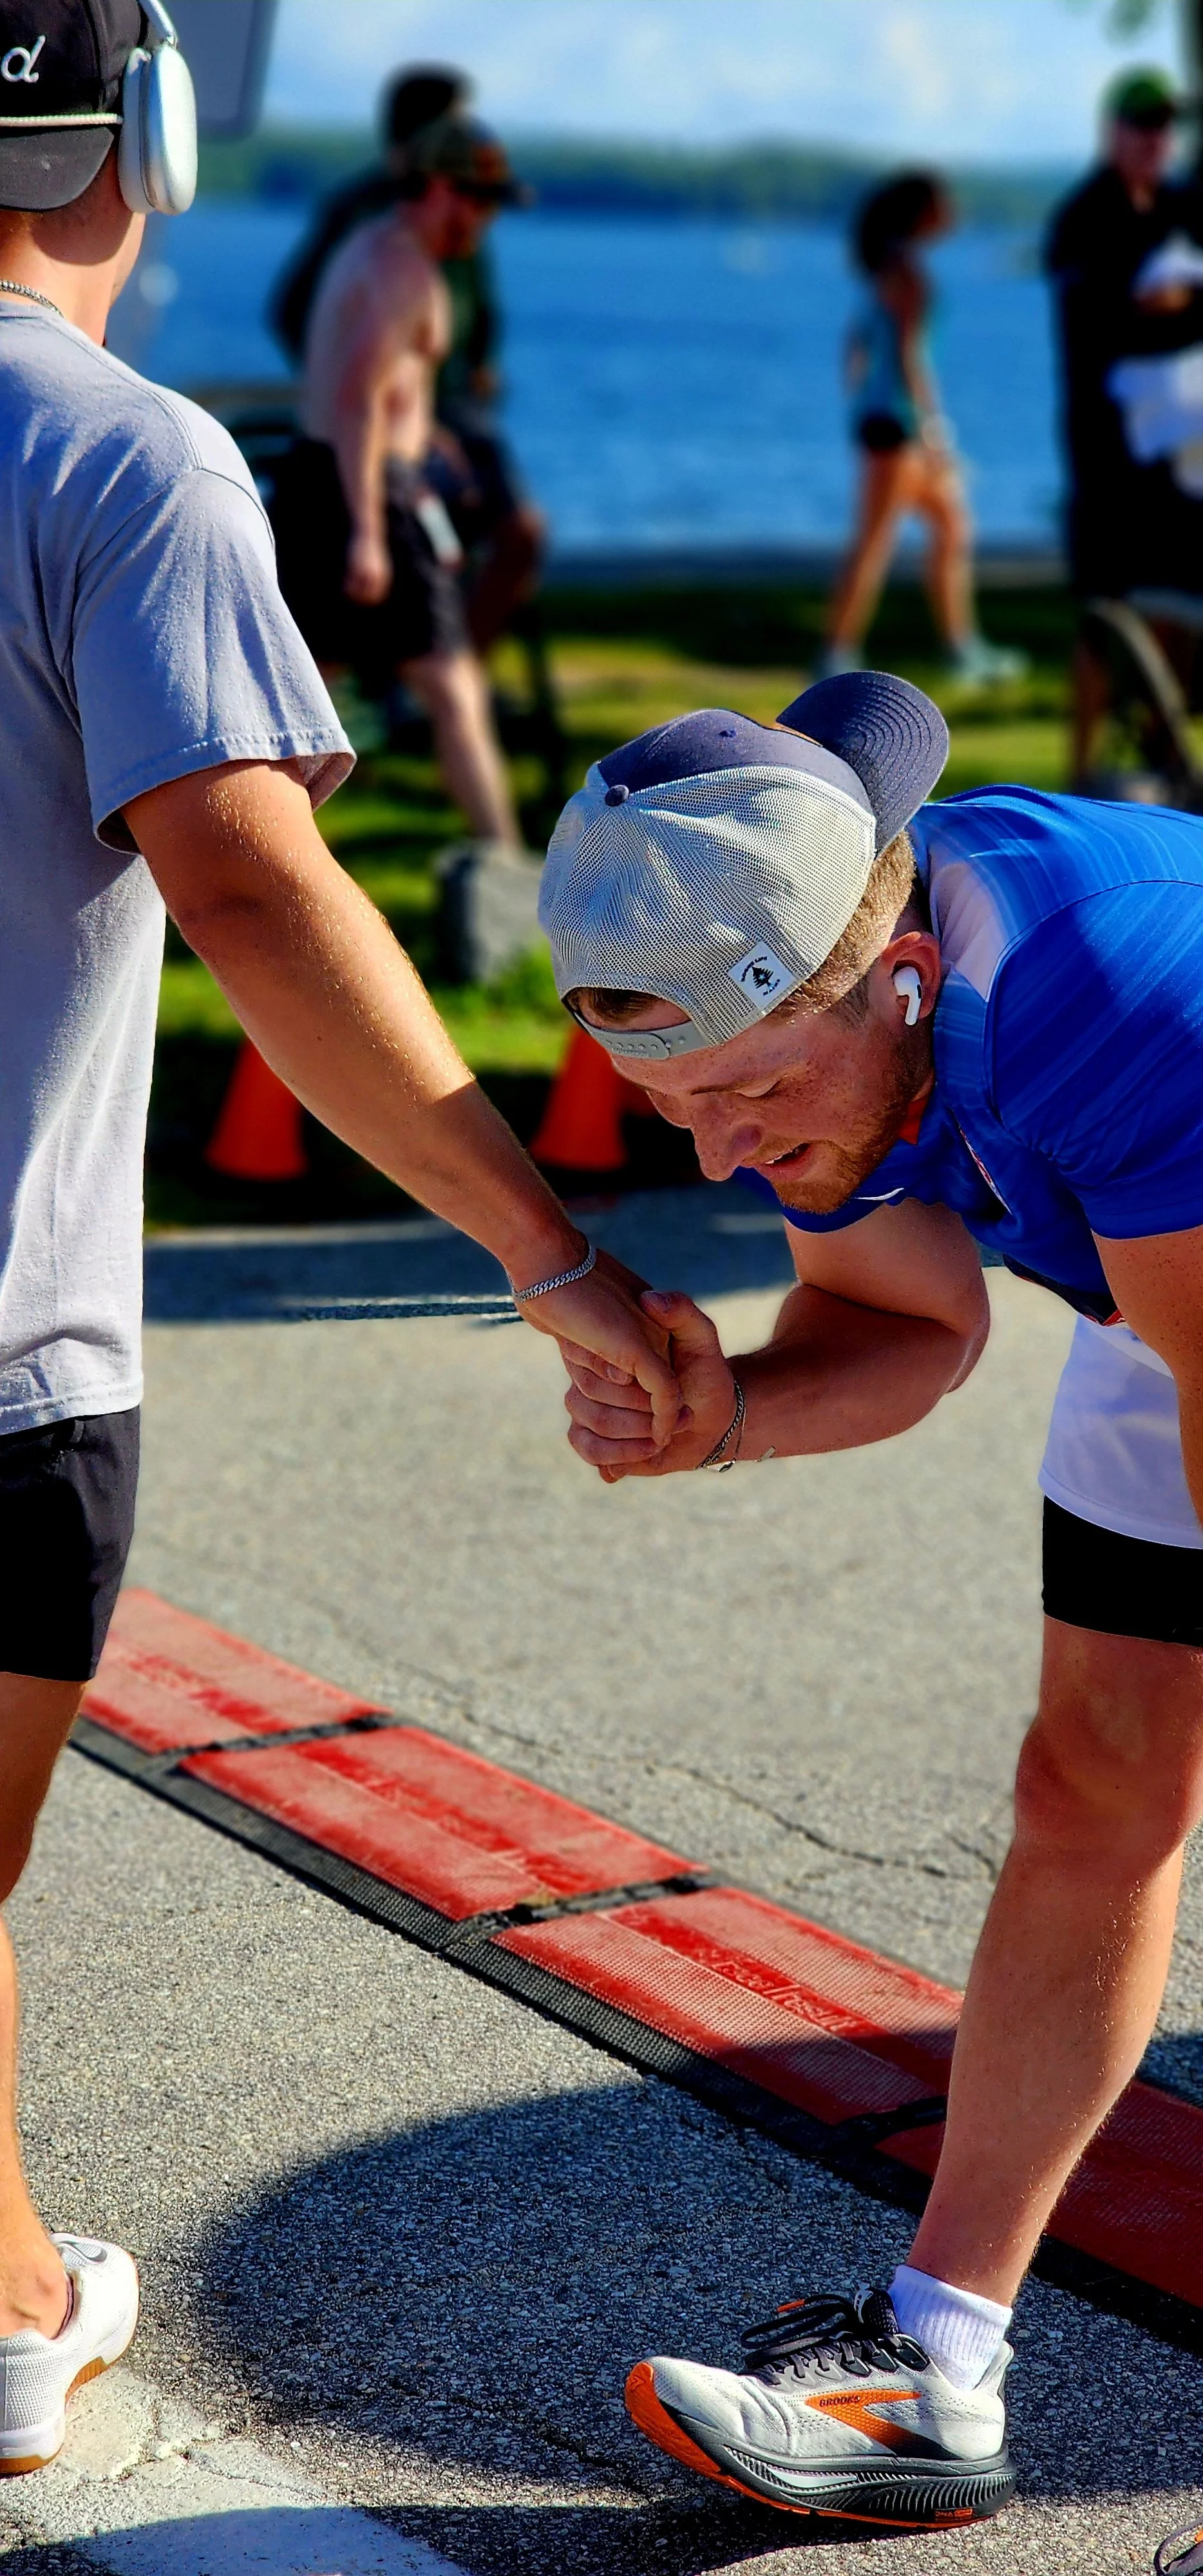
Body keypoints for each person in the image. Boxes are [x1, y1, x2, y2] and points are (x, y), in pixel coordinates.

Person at [0, 0, 677, 2474]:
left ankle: (5, 2302)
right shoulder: (126, 461)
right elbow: (255, 886)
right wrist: (554, 1247)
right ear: (152, 131)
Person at [540, 668, 1203, 2525]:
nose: (722, 1156)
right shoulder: (835, 963)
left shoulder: (1111, 995)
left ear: (897, 981)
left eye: (747, 1094)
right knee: (1092, 1791)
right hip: (1176, 1289)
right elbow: (905, 1326)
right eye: (669, 1109)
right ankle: (927, 2368)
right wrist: (723, 1414)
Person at [269, 111, 526, 851]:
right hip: (367, 489)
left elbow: (382, 389)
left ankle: (253, 856)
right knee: (453, 687)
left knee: (299, 697)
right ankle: (507, 871)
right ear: (439, 188)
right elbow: (357, 401)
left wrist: (428, 434)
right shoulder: (402, 271)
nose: (484, 220)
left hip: (327, 479)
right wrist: (371, 538)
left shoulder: (372, 246)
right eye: (477, 201)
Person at [271, 66, 542, 656]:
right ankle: (428, 675)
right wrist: (375, 397)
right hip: (383, 428)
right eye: (455, 121)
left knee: (518, 534)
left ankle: (444, 672)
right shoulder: (370, 215)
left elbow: (478, 307)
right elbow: (298, 314)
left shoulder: (466, 200)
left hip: (448, 411)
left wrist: (479, 363)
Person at [1045, 68, 1203, 782]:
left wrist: (1178, 301)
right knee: (1102, 617)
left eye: (1164, 125)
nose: (1154, 139)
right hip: (1105, 459)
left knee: (1177, 607)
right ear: (1111, 132)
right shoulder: (1084, 220)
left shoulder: (1173, 208)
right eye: (1141, 125)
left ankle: (1163, 753)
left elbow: (1167, 308)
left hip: (1172, 457)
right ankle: (1079, 774)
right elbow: (1117, 324)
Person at [821, 172, 1021, 689]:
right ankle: (836, 653)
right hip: (899, 428)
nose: (953, 214)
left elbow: (857, 346)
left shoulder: (887, 270)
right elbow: (911, 358)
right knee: (877, 542)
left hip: (883, 422)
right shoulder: (907, 275)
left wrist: (863, 395)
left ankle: (961, 647)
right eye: (943, 205)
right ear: (922, 214)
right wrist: (934, 431)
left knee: (952, 528)